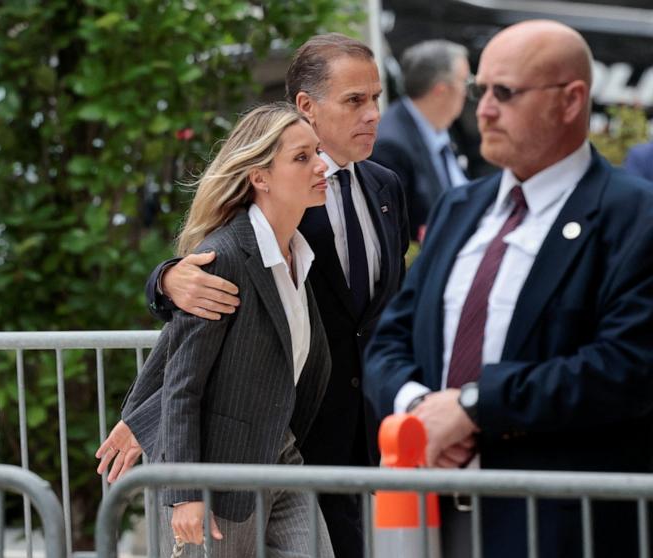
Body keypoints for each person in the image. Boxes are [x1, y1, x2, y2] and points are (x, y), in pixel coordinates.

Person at [98, 32, 409, 558]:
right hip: (273, 438)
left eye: (377, 98)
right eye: (356, 100)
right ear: (307, 107)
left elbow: (388, 307)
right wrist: (166, 281)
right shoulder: (273, 203)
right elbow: (193, 330)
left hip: (350, 431)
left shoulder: (386, 188)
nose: (374, 114)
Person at [364, 20, 653, 558]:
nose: (484, 110)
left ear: (571, 101)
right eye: (480, 90)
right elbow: (390, 339)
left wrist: (476, 407)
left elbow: (627, 366)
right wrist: (426, 412)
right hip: (431, 515)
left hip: (562, 524)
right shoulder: (460, 207)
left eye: (506, 93)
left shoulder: (634, 217)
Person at [121, 102, 334, 557]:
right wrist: (184, 491)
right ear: (260, 177)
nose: (321, 166)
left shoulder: (298, 254)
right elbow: (182, 385)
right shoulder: (225, 258)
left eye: (317, 152)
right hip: (217, 470)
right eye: (301, 158)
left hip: (281, 455)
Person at [371, 40, 470, 241]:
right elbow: (397, 234)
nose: (467, 92)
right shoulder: (391, 147)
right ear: (441, 91)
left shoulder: (438, 123)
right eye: (465, 82)